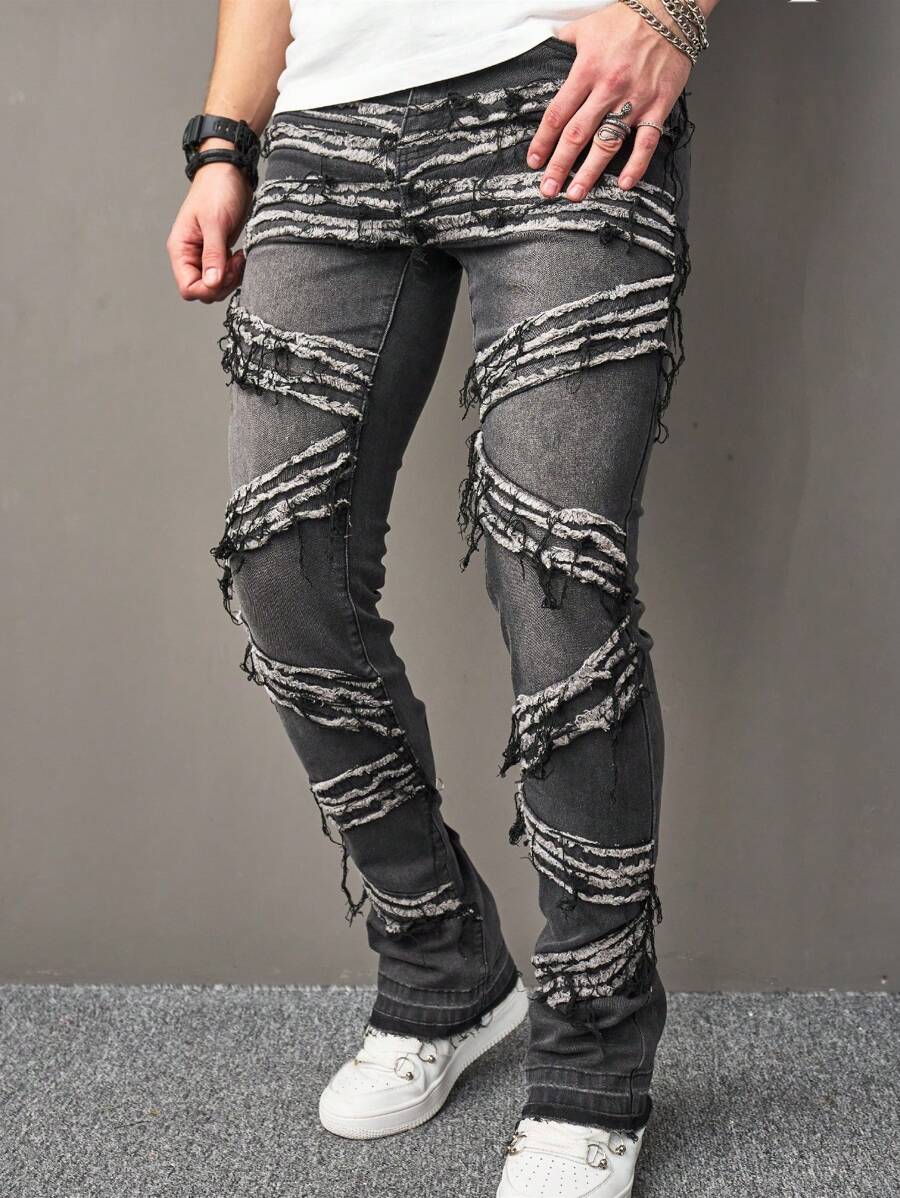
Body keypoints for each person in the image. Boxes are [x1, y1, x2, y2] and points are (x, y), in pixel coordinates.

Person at [167, 2, 717, 1193]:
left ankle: (593, 1054)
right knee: (281, 565)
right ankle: (441, 965)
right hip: (327, 121)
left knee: (557, 579)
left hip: (558, 88)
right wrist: (224, 143)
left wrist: (669, 13)